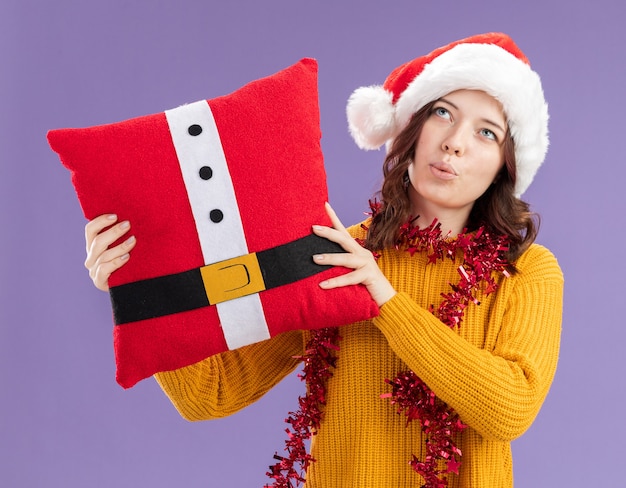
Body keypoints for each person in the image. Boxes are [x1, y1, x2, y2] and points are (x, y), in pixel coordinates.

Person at [84, 33, 563, 488]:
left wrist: (384, 298)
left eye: (486, 132)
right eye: (443, 112)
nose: (454, 142)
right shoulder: (332, 252)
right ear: (412, 126)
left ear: (507, 162)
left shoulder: (525, 270)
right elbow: (212, 392)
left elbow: (511, 409)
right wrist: (138, 288)